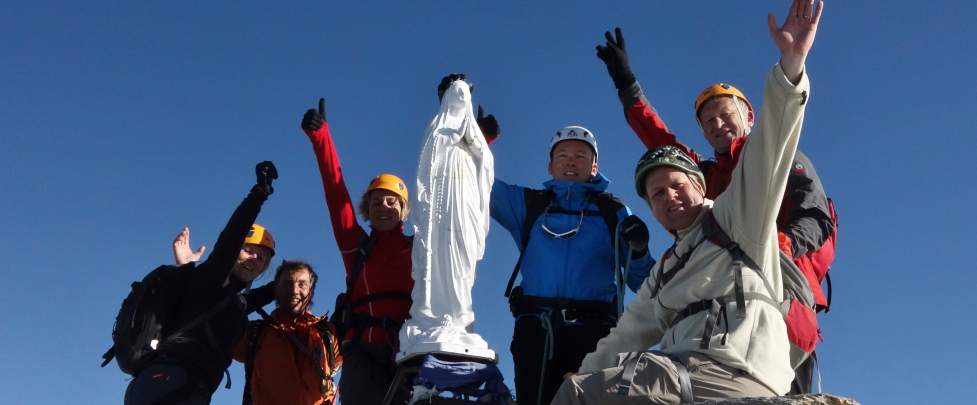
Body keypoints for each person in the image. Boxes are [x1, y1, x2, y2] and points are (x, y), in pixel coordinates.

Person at [553, 1, 823, 403]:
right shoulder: (668, 267)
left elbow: (776, 146)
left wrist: (791, 65)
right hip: (686, 365)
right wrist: (627, 85)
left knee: (624, 384)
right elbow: (631, 329)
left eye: (724, 114)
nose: (668, 196)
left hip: (753, 333)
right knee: (582, 390)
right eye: (656, 195)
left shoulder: (742, 204)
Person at [489, 111, 654, 403]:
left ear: (594, 167)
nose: (570, 161)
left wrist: (639, 251)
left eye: (580, 156)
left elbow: (643, 282)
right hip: (535, 329)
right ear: (550, 165)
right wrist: (478, 141)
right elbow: (477, 183)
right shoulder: (529, 205)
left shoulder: (612, 211)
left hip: (594, 332)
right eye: (562, 155)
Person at [124, 161, 279, 405]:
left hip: (180, 387)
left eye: (262, 258)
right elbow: (231, 236)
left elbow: (262, 295)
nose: (256, 258)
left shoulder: (233, 300)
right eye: (249, 250)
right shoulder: (211, 278)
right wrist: (259, 194)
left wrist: (293, 279)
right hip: (169, 382)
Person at [300, 99, 414, 404]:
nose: (384, 207)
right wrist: (321, 136)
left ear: (403, 210)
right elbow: (336, 193)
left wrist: (477, 141)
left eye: (392, 201)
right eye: (376, 202)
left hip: (412, 354)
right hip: (363, 354)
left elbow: (460, 210)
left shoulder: (421, 249)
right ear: (367, 209)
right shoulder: (358, 247)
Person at [232, 260, 343, 405]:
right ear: (275, 290)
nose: (295, 290)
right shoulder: (255, 332)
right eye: (287, 283)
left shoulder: (328, 333)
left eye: (302, 284)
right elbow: (215, 322)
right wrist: (257, 297)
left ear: (311, 290)